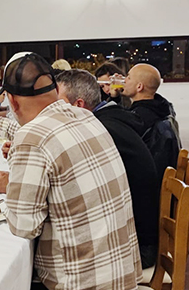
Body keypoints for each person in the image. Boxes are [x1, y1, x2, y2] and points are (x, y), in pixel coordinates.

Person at [0, 53, 140, 290]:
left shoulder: (32, 138)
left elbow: (24, 227)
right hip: (121, 276)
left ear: (13, 102)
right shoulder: (83, 115)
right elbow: (43, 134)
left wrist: (18, 186)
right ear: (55, 89)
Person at [55, 69, 161, 268]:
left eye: (57, 102)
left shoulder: (100, 130)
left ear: (79, 105)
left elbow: (71, 185)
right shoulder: (111, 117)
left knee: (51, 253)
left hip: (135, 247)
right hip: (137, 232)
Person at [124, 63, 189, 246]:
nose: (124, 80)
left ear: (139, 86)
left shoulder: (139, 119)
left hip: (150, 198)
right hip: (163, 184)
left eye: (128, 77)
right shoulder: (162, 108)